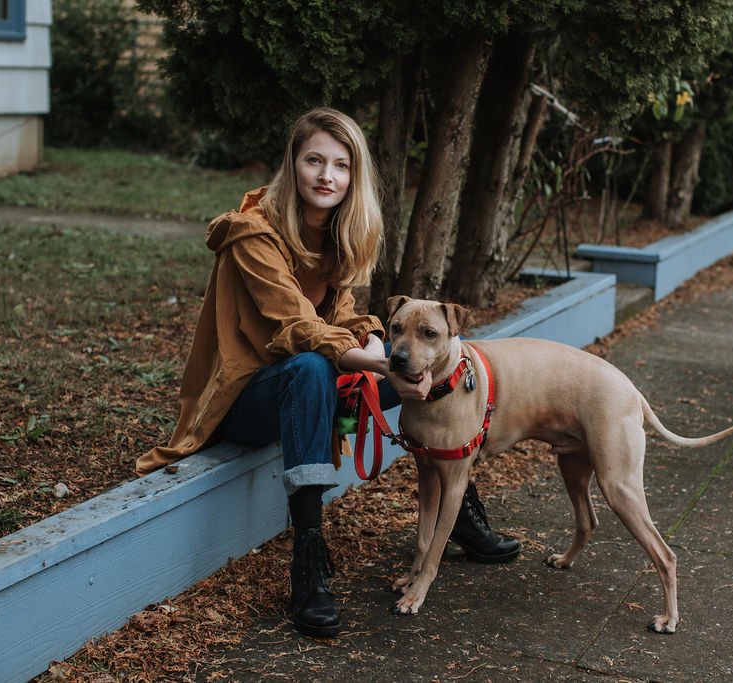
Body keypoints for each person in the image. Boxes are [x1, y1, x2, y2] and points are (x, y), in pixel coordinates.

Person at [136, 108, 520, 638]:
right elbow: (299, 328)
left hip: (312, 386)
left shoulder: (335, 238)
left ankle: (460, 507)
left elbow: (343, 321)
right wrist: (384, 360)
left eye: (340, 165)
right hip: (245, 399)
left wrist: (394, 355)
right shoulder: (253, 235)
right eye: (314, 160)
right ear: (292, 166)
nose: (326, 175)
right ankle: (309, 561)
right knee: (318, 367)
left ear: (352, 177)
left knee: (425, 362)